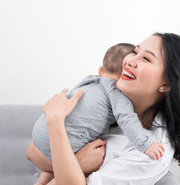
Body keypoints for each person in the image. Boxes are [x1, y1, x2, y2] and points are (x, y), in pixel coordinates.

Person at [37, 33, 180, 185]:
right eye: (135, 52)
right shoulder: (111, 101)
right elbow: (32, 152)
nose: (129, 61)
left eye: (146, 58)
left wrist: (55, 122)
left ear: (166, 84)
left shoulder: (153, 150)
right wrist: (77, 162)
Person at [26, 43, 165, 184]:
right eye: (135, 53)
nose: (132, 61)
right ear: (124, 74)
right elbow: (127, 119)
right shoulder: (117, 93)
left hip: (40, 131)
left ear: (100, 71)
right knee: (77, 140)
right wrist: (145, 144)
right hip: (57, 141)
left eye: (146, 59)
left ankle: (41, 182)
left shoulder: (90, 81)